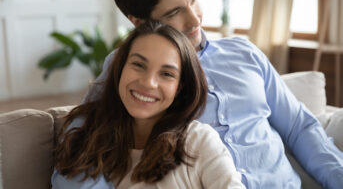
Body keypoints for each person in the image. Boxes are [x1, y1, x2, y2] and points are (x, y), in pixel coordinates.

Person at [55, 0, 343, 188]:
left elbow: (300, 127)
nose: (195, 21)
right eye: (174, 12)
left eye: (193, 0)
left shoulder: (245, 53)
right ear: (140, 22)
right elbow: (83, 146)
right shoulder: (134, 72)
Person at [51, 21, 246, 189]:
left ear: (179, 88)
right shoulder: (87, 142)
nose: (148, 83)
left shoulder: (199, 141)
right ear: (120, 68)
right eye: (138, 65)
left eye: (167, 74)